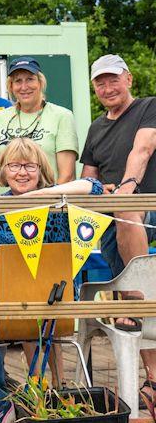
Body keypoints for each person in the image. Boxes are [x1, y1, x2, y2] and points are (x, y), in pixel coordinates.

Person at [0, 138, 103, 423]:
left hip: (53, 295)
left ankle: (38, 396)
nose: (22, 173)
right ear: (3, 172)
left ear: (41, 169)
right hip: (4, 292)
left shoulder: (59, 201)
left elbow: (94, 186)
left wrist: (43, 194)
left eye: (29, 166)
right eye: (14, 165)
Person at [80, 54, 156, 399]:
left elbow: (143, 149)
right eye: (100, 82)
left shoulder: (148, 107)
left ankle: (138, 294)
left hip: (147, 206)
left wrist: (126, 186)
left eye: (113, 79)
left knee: (127, 209)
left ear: (128, 79)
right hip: (111, 220)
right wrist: (102, 190)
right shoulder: (96, 127)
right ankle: (153, 378)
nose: (108, 87)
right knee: (116, 214)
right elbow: (87, 178)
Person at [0, 57, 78, 195]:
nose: (24, 87)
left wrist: (53, 206)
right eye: (18, 81)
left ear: (40, 83)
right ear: (11, 86)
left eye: (30, 79)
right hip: (2, 206)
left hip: (44, 205)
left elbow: (67, 176)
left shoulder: (62, 116)